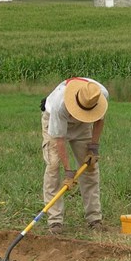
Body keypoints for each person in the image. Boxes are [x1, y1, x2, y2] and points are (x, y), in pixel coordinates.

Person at [41, 77, 109, 234]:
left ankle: (94, 218)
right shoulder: (59, 105)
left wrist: (94, 147)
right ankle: (55, 221)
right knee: (53, 167)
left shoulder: (100, 95)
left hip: (83, 125)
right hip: (54, 122)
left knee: (90, 168)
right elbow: (59, 140)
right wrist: (68, 171)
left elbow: (99, 120)